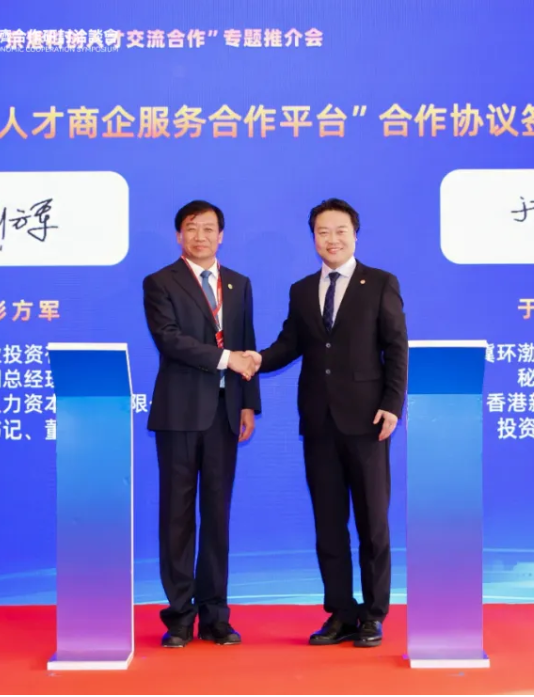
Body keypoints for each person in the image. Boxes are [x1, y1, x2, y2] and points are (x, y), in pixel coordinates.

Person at [247, 198, 408, 648]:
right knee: (329, 523)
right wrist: (256, 359)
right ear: (313, 238)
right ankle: (340, 612)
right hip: (319, 422)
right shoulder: (302, 290)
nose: (331, 239)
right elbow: (289, 345)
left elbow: (396, 347)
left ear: (355, 234)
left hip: (369, 421)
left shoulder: (380, 283)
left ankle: (373, 615)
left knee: (372, 523)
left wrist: (392, 403)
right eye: (322, 232)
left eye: (340, 231)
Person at [142, 200, 261, 648]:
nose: (200, 237)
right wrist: (227, 359)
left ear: (221, 235)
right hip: (179, 414)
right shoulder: (160, 282)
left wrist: (248, 404)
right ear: (179, 235)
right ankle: (178, 617)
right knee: (176, 516)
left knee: (216, 516)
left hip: (225, 414)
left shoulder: (239, 283)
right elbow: (169, 340)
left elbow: (246, 342)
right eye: (191, 228)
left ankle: (215, 616)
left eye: (209, 229)